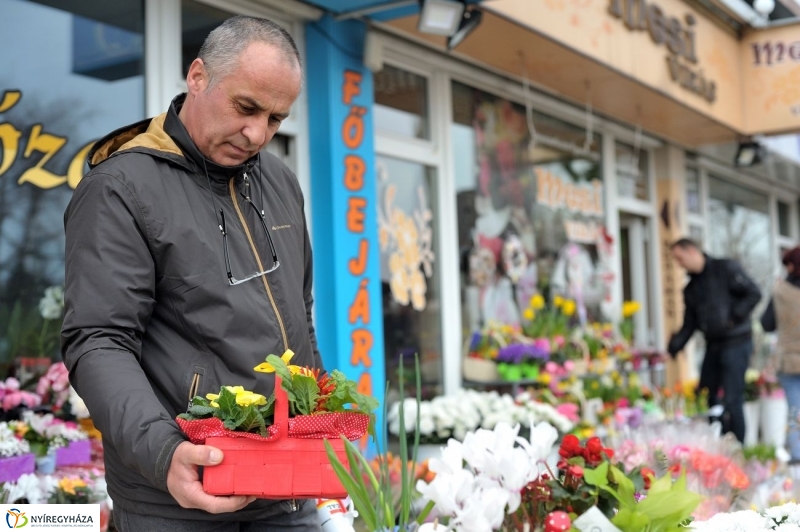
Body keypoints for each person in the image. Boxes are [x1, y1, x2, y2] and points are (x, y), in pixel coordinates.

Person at [61, 16, 323, 531]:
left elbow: (299, 314)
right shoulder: (120, 187)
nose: (257, 134)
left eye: (275, 119)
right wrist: (165, 453)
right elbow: (98, 340)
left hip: (285, 482)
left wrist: (316, 427)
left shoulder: (280, 180)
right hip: (177, 494)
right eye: (246, 107)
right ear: (198, 77)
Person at [667, 238, 762, 444]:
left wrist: (732, 318)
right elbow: (689, 324)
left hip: (736, 341)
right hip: (714, 345)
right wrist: (674, 346)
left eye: (679, 258)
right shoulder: (691, 289)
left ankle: (738, 451)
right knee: (707, 396)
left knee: (732, 399)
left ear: (692, 251)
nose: (679, 263)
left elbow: (754, 293)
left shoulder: (725, 268)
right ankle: (718, 446)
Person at [761, 246, 800, 462]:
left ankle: (797, 455)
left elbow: (766, 324)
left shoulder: (781, 292)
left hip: (789, 361)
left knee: (796, 410)